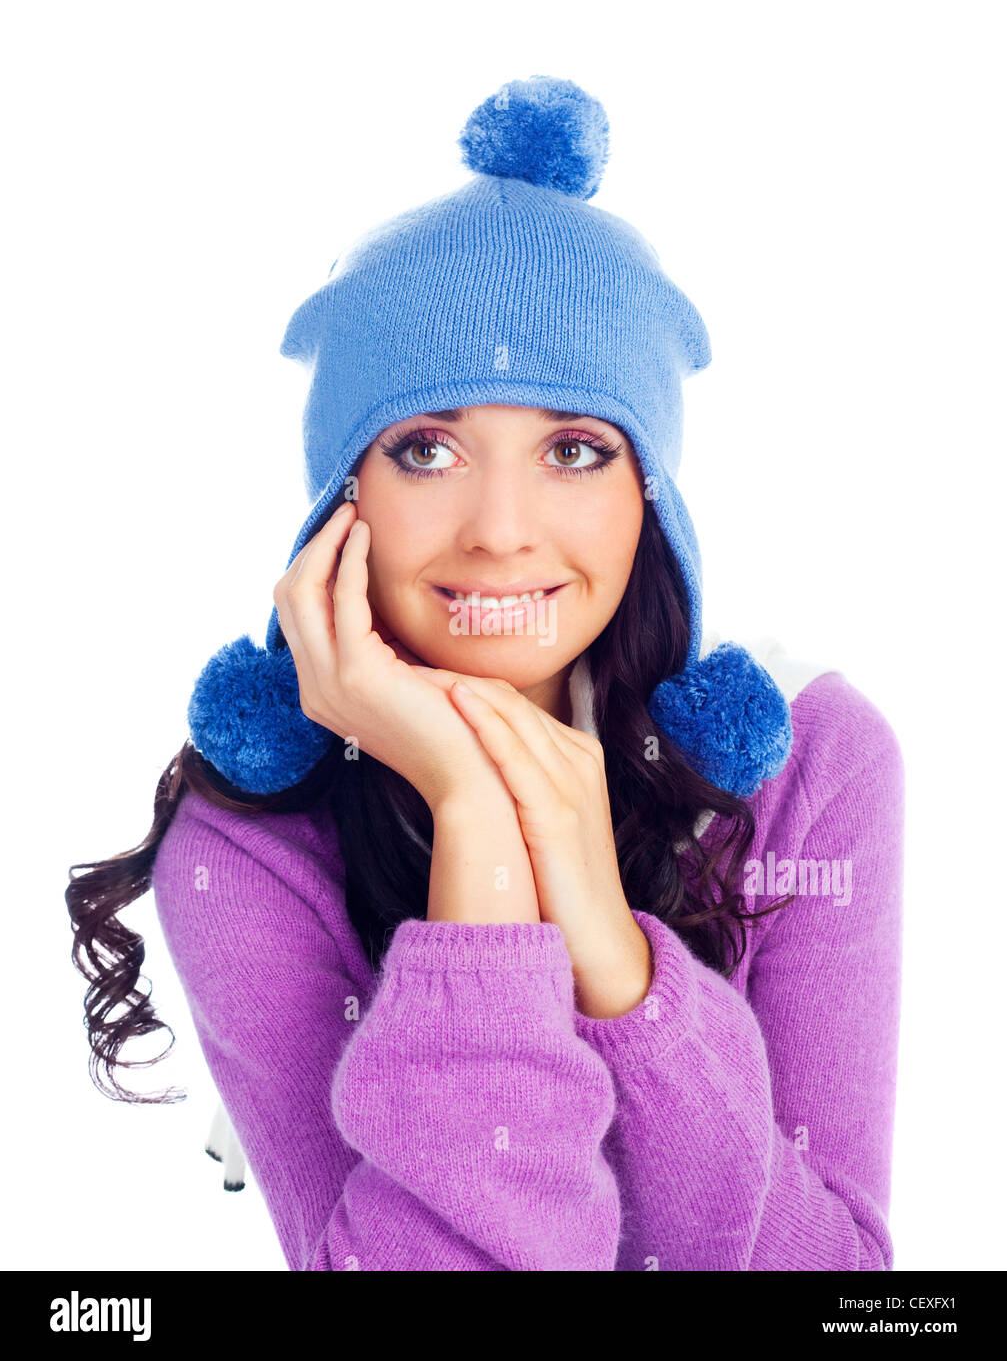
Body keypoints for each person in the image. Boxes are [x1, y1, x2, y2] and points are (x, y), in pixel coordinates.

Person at [65, 74, 904, 1271]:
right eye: (425, 448)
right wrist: (478, 833)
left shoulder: (810, 760)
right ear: (338, 500)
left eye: (572, 448)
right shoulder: (253, 837)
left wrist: (613, 957)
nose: (501, 528)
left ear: (648, 497)